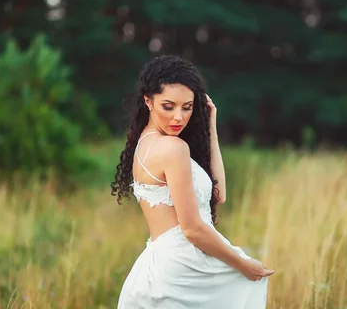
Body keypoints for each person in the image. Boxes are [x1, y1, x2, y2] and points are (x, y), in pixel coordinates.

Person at [111, 55, 275, 308]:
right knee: (248, 286)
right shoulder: (172, 148)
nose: (178, 117)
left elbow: (218, 195)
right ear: (148, 101)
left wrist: (211, 127)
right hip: (184, 269)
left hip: (160, 264)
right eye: (168, 106)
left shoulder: (144, 143)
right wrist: (242, 264)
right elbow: (192, 228)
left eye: (187, 107)